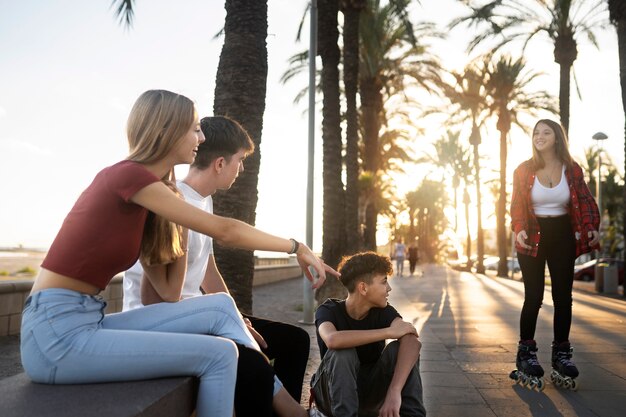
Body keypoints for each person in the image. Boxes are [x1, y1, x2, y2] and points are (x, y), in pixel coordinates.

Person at [20, 90, 336, 417]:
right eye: (194, 128)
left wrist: (178, 217)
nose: (200, 137)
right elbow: (226, 230)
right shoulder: (128, 176)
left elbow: (170, 292)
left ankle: (286, 406)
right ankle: (290, 409)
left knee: (220, 306)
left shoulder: (155, 194)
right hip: (54, 335)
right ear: (167, 131)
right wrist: (296, 247)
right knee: (220, 354)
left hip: (84, 320)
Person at [123, 115, 310, 417]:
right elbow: (162, 296)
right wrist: (230, 324)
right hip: (162, 319)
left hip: (199, 312)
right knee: (254, 367)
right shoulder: (173, 201)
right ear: (220, 163)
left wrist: (235, 317)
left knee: (295, 341)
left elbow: (208, 270)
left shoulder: (202, 200)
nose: (242, 169)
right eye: (240, 161)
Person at [510, 119, 600, 386]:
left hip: (562, 235)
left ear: (557, 138)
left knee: (563, 298)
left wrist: (591, 227)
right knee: (534, 296)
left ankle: (561, 353)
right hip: (533, 235)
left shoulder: (572, 170)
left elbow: (585, 200)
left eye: (546, 132)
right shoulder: (523, 170)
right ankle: (526, 352)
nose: (539, 136)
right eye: (536, 132)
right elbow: (516, 205)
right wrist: (518, 228)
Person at [310, 252, 426, 417]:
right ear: (363, 287)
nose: (389, 288)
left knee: (399, 349)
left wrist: (394, 391)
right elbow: (332, 339)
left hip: (370, 392)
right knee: (343, 352)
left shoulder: (383, 311)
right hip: (331, 394)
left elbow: (412, 341)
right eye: (384, 282)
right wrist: (388, 332)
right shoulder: (328, 310)